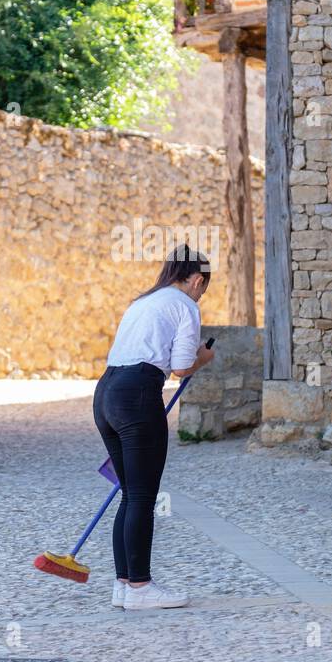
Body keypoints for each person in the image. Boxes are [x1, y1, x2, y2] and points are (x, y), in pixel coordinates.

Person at [96, 245, 214, 611]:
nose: (200, 293)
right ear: (196, 279)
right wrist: (203, 358)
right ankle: (141, 587)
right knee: (143, 497)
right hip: (137, 395)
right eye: (202, 287)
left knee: (129, 493)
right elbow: (180, 366)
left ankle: (124, 585)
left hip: (107, 393)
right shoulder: (185, 305)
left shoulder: (143, 301)